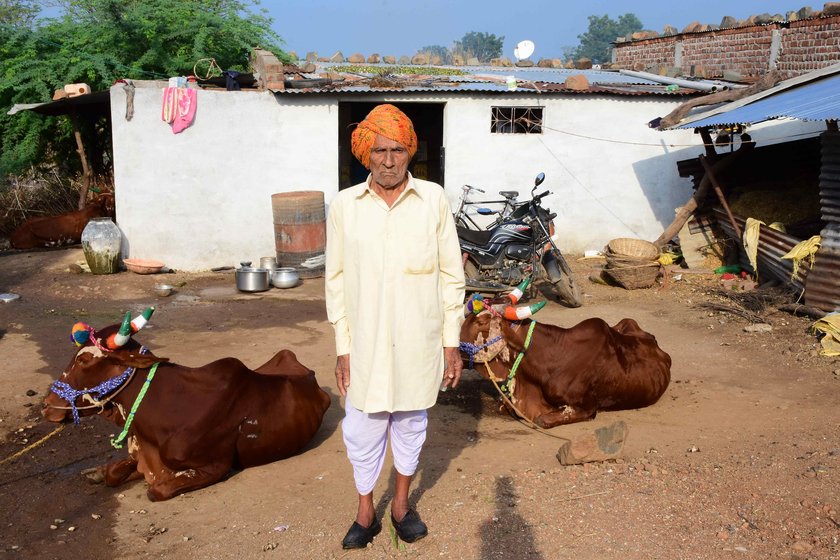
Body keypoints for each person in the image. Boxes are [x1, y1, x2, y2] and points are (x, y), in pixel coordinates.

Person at [325, 104, 465, 549]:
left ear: (411, 152)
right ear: (365, 154)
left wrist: (451, 343)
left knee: (410, 420)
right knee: (361, 426)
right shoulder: (345, 206)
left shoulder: (434, 200)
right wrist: (343, 347)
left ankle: (401, 505)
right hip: (364, 342)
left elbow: (450, 275)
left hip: (417, 338)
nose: (388, 160)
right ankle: (366, 510)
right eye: (380, 150)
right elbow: (336, 279)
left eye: (398, 150)